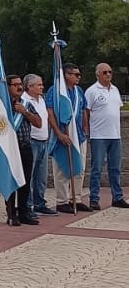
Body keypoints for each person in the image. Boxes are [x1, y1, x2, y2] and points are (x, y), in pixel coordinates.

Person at [46, 62, 90, 213]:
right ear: (66, 75)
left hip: (78, 135)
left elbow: (84, 109)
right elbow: (50, 112)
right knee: (62, 169)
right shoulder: (56, 91)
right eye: (75, 74)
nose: (79, 77)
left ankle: (76, 198)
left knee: (80, 168)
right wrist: (58, 133)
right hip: (63, 134)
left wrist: (85, 127)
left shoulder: (78, 91)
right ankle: (62, 200)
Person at [86, 62, 128, 210]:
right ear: (98, 74)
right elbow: (86, 111)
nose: (108, 74)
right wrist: (87, 130)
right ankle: (94, 198)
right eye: (104, 72)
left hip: (115, 135)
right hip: (99, 136)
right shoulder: (92, 91)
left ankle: (117, 197)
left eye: (110, 72)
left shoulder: (115, 90)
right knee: (96, 168)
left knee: (115, 168)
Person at [6, 75, 41, 226]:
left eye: (20, 84)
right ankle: (11, 213)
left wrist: (25, 112)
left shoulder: (26, 103)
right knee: (11, 182)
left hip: (26, 147)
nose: (19, 87)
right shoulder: (3, 105)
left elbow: (39, 123)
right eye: (15, 85)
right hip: (10, 149)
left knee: (25, 181)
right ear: (8, 87)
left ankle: (23, 211)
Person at [21, 73, 56, 215]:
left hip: (44, 141)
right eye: (39, 85)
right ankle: (28, 205)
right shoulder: (24, 100)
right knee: (30, 175)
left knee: (41, 176)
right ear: (29, 86)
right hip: (32, 141)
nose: (42, 87)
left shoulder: (41, 99)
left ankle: (40, 202)